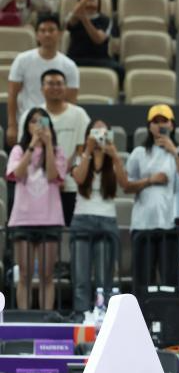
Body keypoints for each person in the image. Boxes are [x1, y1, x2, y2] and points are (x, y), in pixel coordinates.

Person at [124, 105, 179, 295]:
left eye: (164, 121)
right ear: (149, 126)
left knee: (171, 280)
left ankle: (169, 313)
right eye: (155, 121)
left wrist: (174, 151)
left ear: (172, 125)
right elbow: (127, 186)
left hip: (172, 224)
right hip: (143, 223)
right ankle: (142, 312)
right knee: (142, 279)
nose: (160, 125)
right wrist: (150, 180)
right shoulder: (139, 152)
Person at [3, 107, 65, 311]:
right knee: (24, 274)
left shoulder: (57, 151)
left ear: (49, 126)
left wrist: (48, 145)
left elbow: (52, 176)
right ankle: (24, 317)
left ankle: (47, 318)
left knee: (47, 275)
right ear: (27, 126)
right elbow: (17, 175)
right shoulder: (18, 150)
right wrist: (32, 146)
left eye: (42, 121)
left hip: (49, 219)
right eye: (33, 121)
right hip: (23, 219)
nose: (38, 125)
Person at [69, 119, 127, 316]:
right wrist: (88, 150)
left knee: (104, 277)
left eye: (103, 132)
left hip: (106, 219)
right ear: (88, 135)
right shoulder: (80, 156)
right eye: (95, 132)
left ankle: (104, 316)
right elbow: (79, 178)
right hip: (82, 219)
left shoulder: (113, 159)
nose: (99, 136)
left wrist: (115, 156)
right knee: (81, 277)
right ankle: (81, 315)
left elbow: (124, 183)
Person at [6, 14, 80, 147]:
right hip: (28, 121)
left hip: (58, 125)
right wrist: (12, 125)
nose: (47, 34)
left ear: (60, 34)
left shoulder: (69, 66)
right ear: (37, 35)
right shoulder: (22, 60)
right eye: (43, 30)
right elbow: (12, 94)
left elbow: (71, 101)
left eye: (51, 30)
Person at [40, 69, 90, 226]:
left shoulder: (79, 115)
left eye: (59, 84)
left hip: (71, 186)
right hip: (42, 187)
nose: (55, 87)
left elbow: (82, 149)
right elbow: (31, 150)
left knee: (71, 232)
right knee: (46, 235)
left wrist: (60, 175)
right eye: (50, 83)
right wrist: (52, 176)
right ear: (42, 88)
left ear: (66, 88)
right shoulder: (35, 116)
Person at [66, 0, 119, 74]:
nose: (90, 0)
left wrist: (84, 19)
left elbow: (98, 39)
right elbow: (75, 14)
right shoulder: (73, 18)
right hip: (76, 58)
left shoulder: (105, 20)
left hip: (100, 59)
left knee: (119, 70)